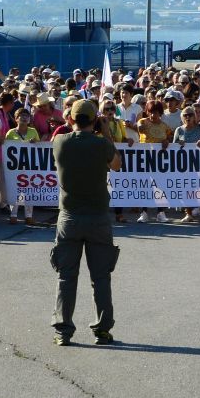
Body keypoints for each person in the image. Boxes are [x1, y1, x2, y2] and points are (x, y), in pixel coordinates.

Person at [50, 98, 122, 346]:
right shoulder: (102, 144)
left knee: (66, 277)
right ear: (94, 120)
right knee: (101, 277)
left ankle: (63, 330)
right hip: (97, 217)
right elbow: (117, 164)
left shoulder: (60, 142)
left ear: (71, 119)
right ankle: (102, 329)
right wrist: (106, 132)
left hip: (69, 217)